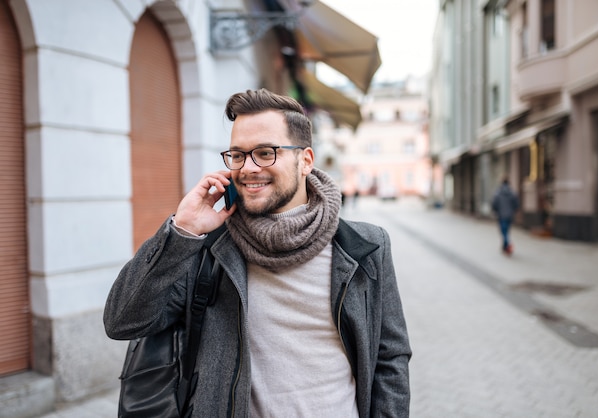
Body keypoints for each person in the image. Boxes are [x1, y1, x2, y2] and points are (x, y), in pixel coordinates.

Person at [104, 89, 412, 417]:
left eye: (265, 153)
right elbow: (122, 322)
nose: (248, 168)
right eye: (238, 155)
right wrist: (182, 231)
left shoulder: (365, 247)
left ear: (305, 160)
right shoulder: (206, 249)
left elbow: (389, 359)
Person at [491, 176, 519, 255]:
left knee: (504, 232)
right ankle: (505, 247)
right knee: (506, 231)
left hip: (501, 215)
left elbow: (494, 204)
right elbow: (516, 204)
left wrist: (496, 211)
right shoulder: (512, 192)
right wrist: (513, 211)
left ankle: (508, 244)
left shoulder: (498, 192)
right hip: (510, 215)